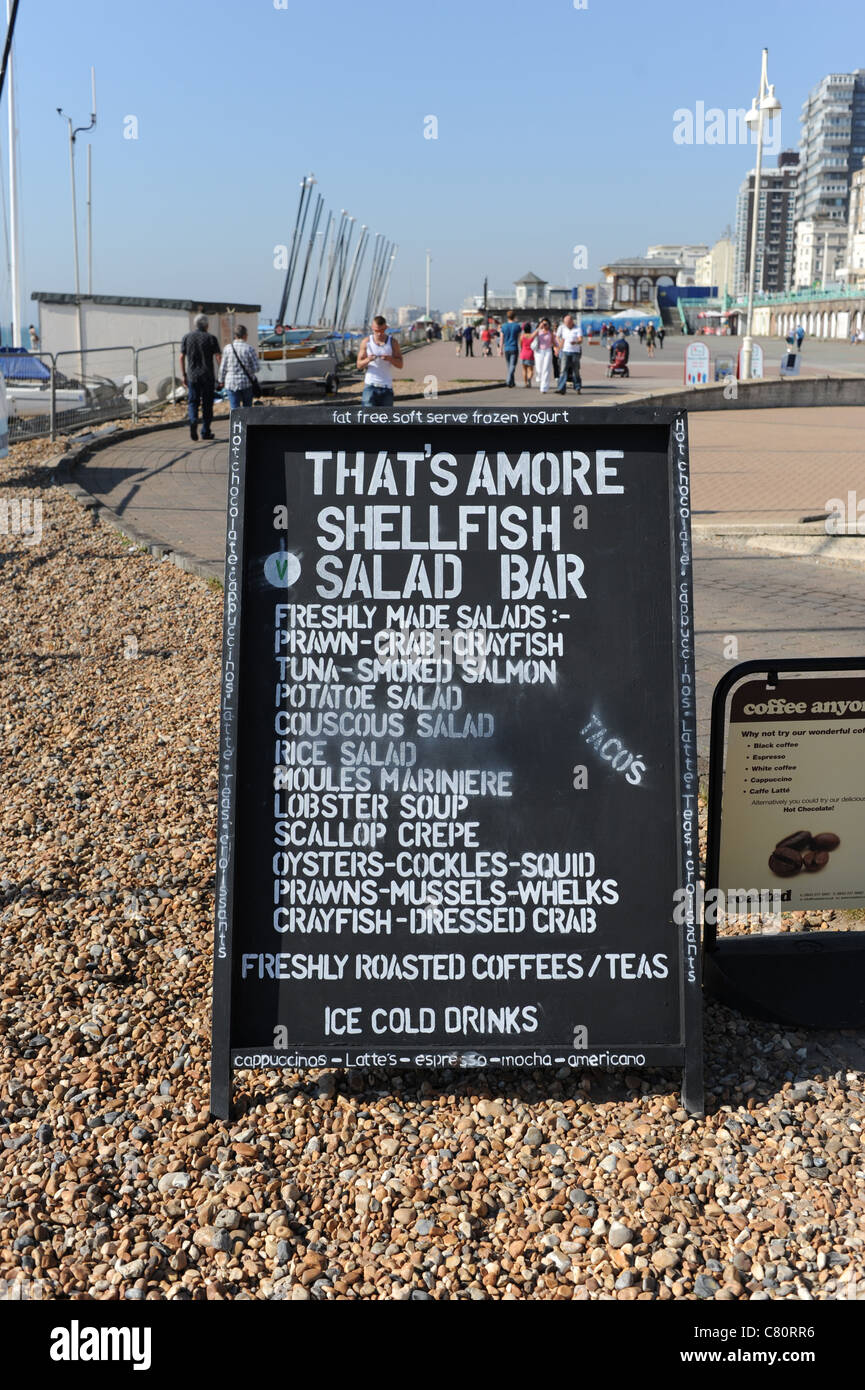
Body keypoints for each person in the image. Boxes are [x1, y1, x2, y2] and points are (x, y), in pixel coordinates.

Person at [180, 313, 221, 441]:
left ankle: (193, 420)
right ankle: (205, 431)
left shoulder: (187, 337)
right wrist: (222, 374)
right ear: (207, 325)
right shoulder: (211, 338)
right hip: (207, 375)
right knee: (207, 404)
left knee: (193, 401)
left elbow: (181, 357)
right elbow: (218, 357)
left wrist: (184, 375)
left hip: (192, 375)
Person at [356, 314, 403, 407]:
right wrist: (368, 359)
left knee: (385, 419)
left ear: (386, 328)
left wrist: (390, 358)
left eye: (382, 330)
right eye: (377, 330)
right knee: (368, 418)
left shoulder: (393, 342)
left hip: (387, 387)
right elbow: (358, 365)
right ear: (372, 328)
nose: (379, 333)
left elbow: (400, 365)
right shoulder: (366, 342)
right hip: (370, 386)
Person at [217, 323, 260, 410]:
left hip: (231, 383)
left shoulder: (227, 348)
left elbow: (223, 368)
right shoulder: (249, 349)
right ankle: (246, 423)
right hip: (246, 383)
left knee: (234, 409)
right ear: (244, 335)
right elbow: (256, 368)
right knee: (247, 409)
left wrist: (221, 380)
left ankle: (235, 423)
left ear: (235, 335)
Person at [555, 313, 583, 394]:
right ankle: (561, 388)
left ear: (571, 322)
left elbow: (581, 340)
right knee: (563, 370)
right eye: (565, 323)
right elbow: (560, 339)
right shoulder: (563, 328)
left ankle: (577, 387)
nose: (566, 324)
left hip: (575, 352)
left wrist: (576, 342)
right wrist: (558, 348)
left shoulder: (578, 329)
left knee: (576, 370)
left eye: (567, 323)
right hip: (565, 351)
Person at [530, 318, 555, 392]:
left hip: (548, 351)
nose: (544, 325)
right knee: (539, 368)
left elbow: (553, 341)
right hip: (539, 351)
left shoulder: (550, 332)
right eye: (543, 323)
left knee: (546, 369)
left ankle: (544, 387)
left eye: (546, 324)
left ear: (548, 325)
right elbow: (531, 336)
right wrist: (538, 328)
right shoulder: (538, 331)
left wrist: (557, 348)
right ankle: (539, 378)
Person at [501, 309, 522, 387]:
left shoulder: (504, 326)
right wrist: (521, 347)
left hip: (506, 348)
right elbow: (520, 338)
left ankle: (511, 382)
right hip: (514, 348)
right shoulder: (517, 326)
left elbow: (501, 338)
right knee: (512, 365)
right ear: (514, 317)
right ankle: (509, 380)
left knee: (509, 365)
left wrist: (500, 349)